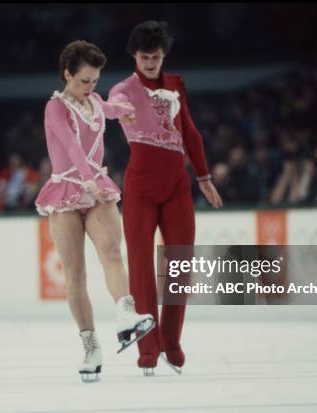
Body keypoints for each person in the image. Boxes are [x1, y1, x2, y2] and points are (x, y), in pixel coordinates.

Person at [34, 40, 154, 382]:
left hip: (96, 187)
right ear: (67, 74)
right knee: (76, 275)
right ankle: (90, 345)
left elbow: (110, 108)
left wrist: (126, 108)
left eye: (95, 81)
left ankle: (126, 315)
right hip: (67, 190)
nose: (90, 87)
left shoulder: (94, 100)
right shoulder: (54, 108)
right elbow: (71, 146)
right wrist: (88, 179)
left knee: (113, 251)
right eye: (84, 81)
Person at [109, 21, 223, 375]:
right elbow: (110, 108)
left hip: (177, 185)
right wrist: (113, 108)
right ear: (134, 55)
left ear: (164, 55)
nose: (151, 63)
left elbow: (189, 130)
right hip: (140, 187)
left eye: (156, 57)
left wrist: (203, 177)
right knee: (142, 265)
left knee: (180, 264)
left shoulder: (175, 85)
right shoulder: (123, 90)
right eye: (145, 57)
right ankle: (148, 347)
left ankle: (171, 341)